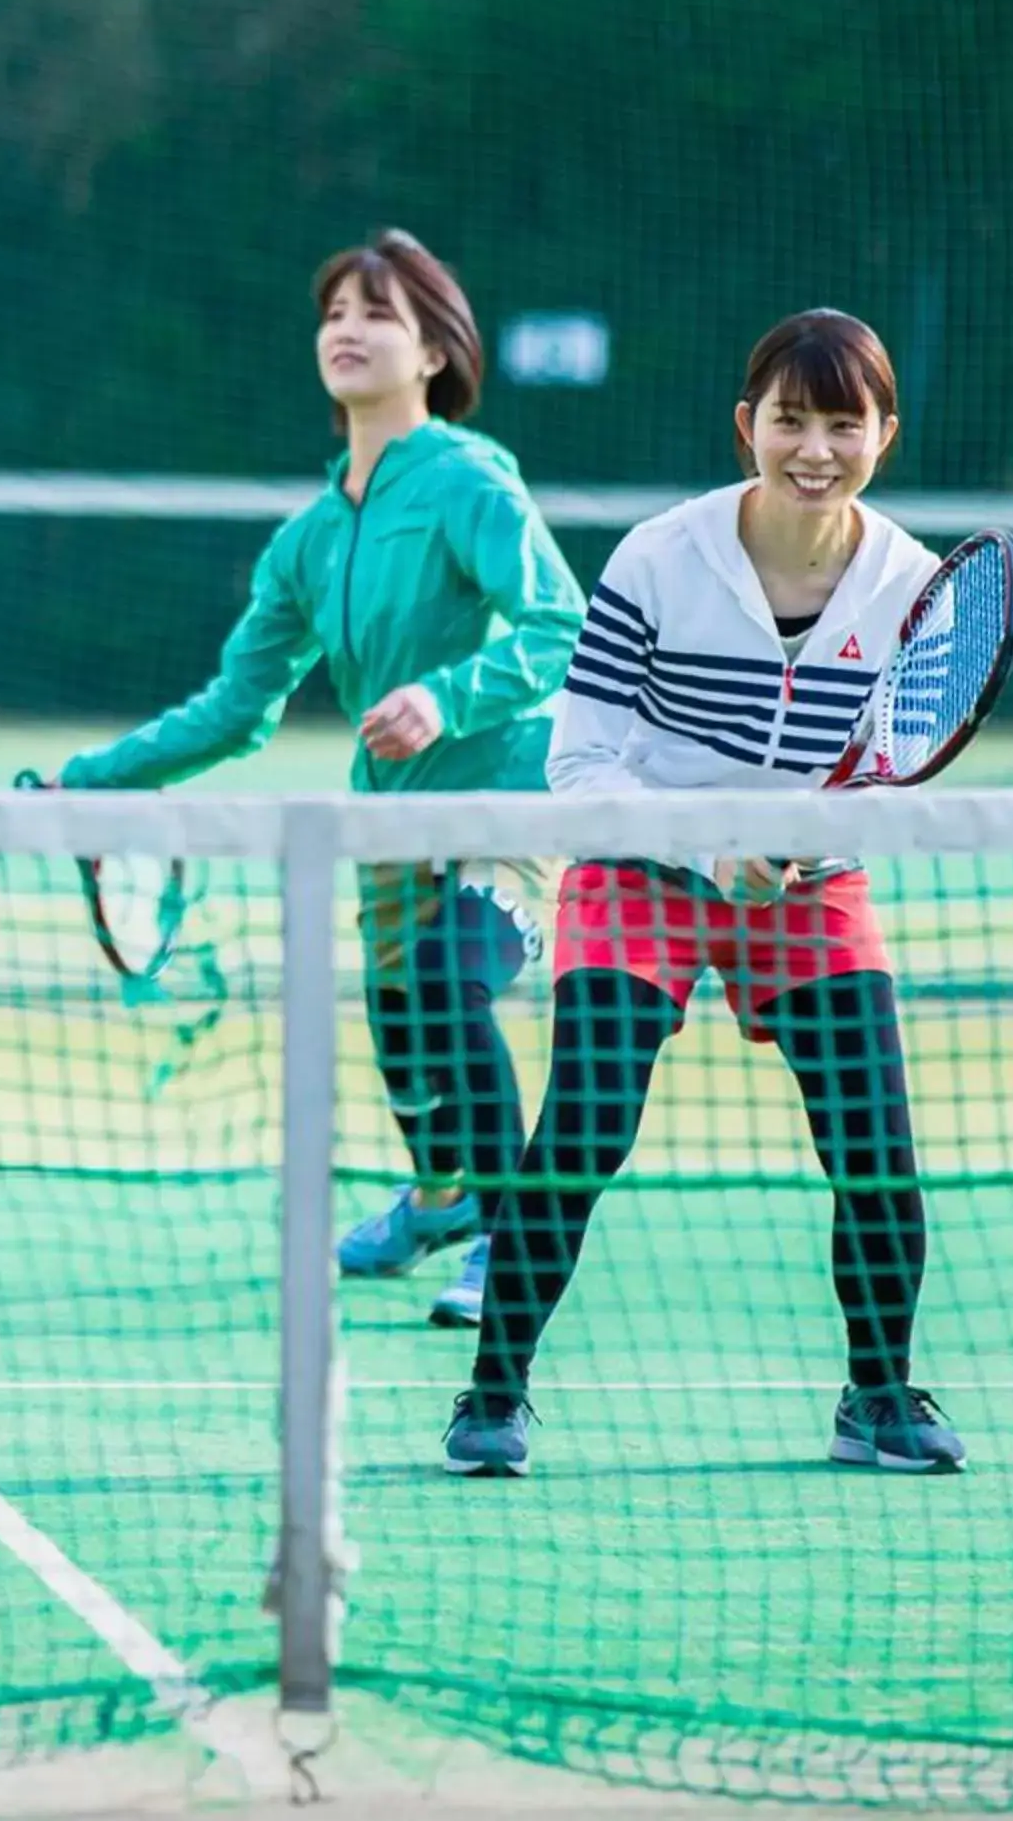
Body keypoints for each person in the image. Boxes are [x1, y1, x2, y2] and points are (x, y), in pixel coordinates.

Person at [442, 308, 967, 1479]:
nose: (815, 448)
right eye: (792, 419)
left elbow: (896, 776)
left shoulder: (914, 589)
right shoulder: (657, 558)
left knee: (876, 1148)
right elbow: (579, 765)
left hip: (810, 885)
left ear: (887, 432)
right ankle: (494, 1389)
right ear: (748, 426)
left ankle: (878, 1393)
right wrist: (707, 847)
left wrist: (810, 840)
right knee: (582, 1128)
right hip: (642, 868)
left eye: (845, 423)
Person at [54, 230, 584, 1326]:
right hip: (384, 816)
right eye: (335, 311)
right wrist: (91, 778)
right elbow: (236, 711)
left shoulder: (470, 482)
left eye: (377, 313)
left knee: (449, 986)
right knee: (402, 1027)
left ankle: (510, 1235)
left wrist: (448, 695)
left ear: (435, 351)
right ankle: (440, 1199)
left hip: (508, 793)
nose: (346, 329)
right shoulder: (305, 541)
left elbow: (562, 626)